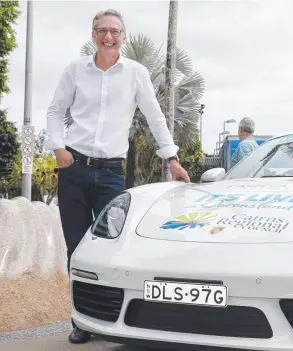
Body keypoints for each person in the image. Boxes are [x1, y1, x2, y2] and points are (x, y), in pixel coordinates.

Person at [43, 9, 190, 344]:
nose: (109, 37)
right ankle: (81, 320)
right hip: (74, 169)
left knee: (112, 250)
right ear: (93, 34)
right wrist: (58, 148)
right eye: (102, 31)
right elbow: (55, 110)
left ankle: (111, 319)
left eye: (115, 31)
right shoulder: (75, 69)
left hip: (111, 173)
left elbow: (155, 117)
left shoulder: (136, 74)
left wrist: (172, 158)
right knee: (77, 250)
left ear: (124, 36)